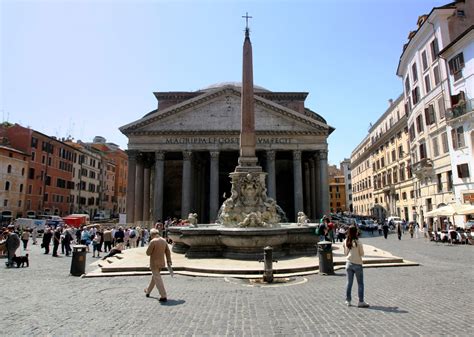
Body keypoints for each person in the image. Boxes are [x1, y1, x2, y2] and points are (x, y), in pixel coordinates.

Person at [343, 225, 369, 308]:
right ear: (356, 232)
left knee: (349, 283)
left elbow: (345, 253)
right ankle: (361, 301)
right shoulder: (358, 242)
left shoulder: (346, 241)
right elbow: (362, 254)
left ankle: (348, 300)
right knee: (360, 283)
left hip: (349, 263)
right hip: (357, 263)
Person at [144, 229, 172, 302]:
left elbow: (148, 253)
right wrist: (169, 260)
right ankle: (148, 291)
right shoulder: (164, 240)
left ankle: (163, 295)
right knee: (155, 277)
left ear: (152, 234)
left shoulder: (153, 241)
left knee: (157, 279)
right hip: (161, 262)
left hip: (154, 263)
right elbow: (168, 252)